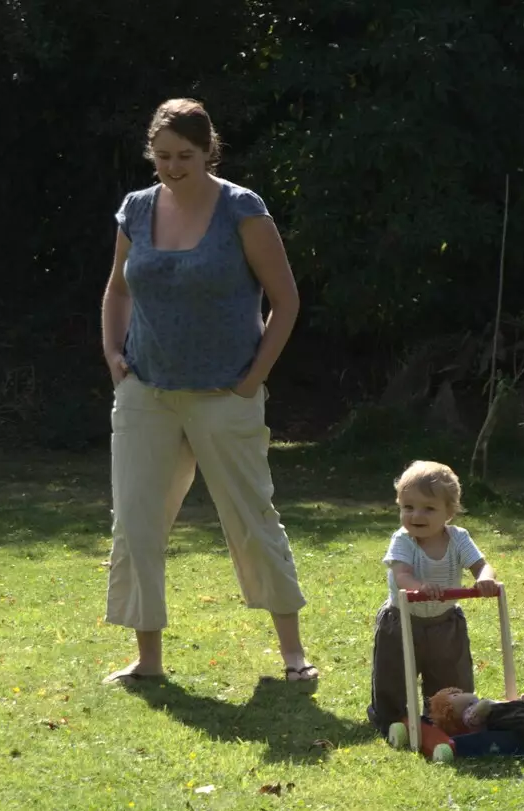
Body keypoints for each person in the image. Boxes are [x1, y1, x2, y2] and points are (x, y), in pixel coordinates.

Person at [99, 98, 316, 685]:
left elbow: (286, 301)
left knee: (251, 516)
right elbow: (117, 290)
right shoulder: (136, 210)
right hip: (147, 393)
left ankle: (293, 655)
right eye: (162, 156)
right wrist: (115, 355)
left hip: (226, 394)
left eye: (184, 157)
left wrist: (253, 380)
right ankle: (148, 660)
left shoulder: (242, 210)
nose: (171, 167)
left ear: (207, 150)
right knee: (138, 521)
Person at [366, 460, 496, 737]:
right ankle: (390, 719)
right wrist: (420, 587)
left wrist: (484, 578)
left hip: (445, 621)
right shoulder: (403, 540)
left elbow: (481, 565)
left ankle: (450, 717)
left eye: (428, 508)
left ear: (449, 512)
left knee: (451, 676)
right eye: (408, 507)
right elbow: (402, 575)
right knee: (393, 675)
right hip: (401, 621)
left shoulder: (459, 539)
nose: (416, 516)